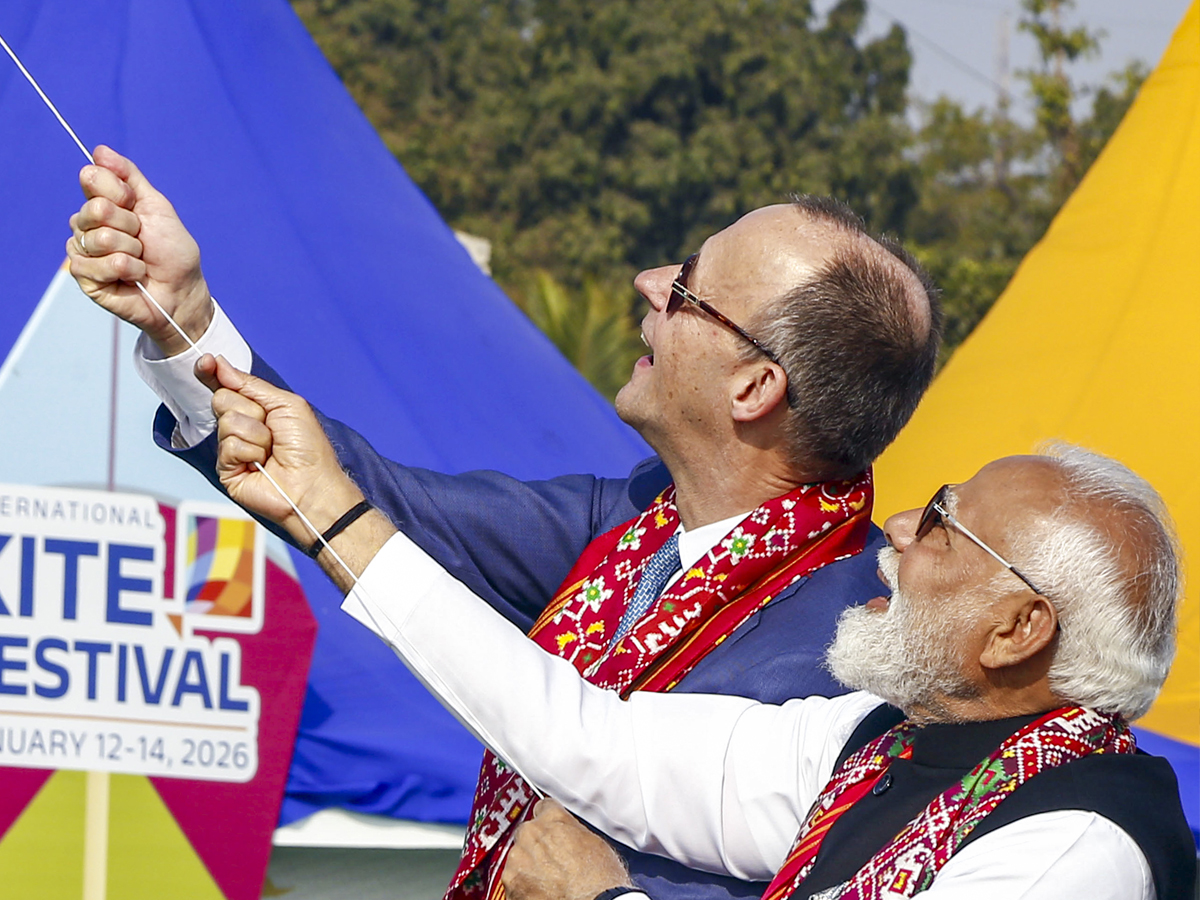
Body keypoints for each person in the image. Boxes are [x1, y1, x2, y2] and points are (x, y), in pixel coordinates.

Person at [67, 147, 942, 900]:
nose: (648, 282)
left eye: (687, 290)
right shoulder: (627, 525)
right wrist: (183, 323)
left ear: (754, 387)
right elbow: (360, 496)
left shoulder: (864, 653)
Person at [198, 365, 1193, 899]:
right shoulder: (874, 742)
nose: (902, 529)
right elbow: (586, 738)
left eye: (945, 522)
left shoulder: (1079, 847)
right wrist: (330, 518)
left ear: (1020, 627)